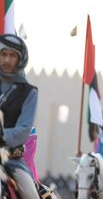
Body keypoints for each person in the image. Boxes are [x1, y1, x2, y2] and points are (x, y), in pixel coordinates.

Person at [0, 34, 40, 199]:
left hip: (11, 160)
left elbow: (24, 130)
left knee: (32, 195)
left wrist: (2, 136)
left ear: (20, 58)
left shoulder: (29, 92)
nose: (7, 60)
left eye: (13, 55)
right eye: (3, 54)